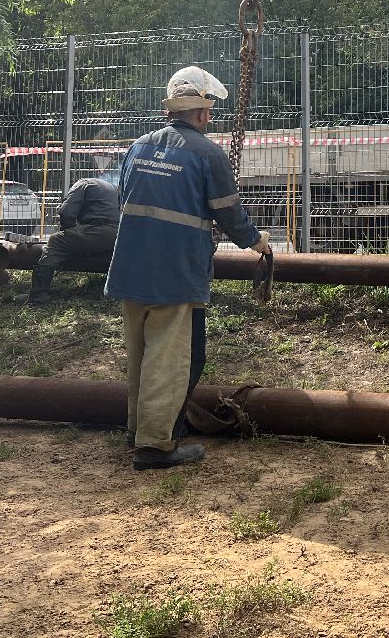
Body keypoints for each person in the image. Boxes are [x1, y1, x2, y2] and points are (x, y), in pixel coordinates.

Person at [105, 66, 272, 472]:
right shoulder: (208, 154)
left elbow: (126, 199)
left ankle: (137, 429)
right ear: (200, 112)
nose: (209, 118)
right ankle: (155, 446)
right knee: (168, 360)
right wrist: (258, 242)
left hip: (130, 266)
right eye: (208, 111)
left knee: (139, 354)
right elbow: (228, 214)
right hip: (175, 272)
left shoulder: (138, 147)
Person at [25, 176, 119, 305]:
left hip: (97, 231)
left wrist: (68, 232)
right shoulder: (109, 187)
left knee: (56, 240)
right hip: (116, 234)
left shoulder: (81, 184)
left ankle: (38, 294)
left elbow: (66, 213)